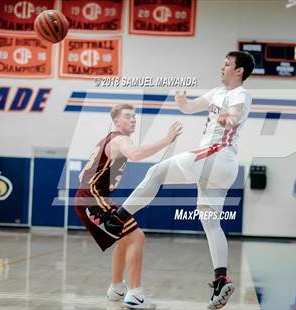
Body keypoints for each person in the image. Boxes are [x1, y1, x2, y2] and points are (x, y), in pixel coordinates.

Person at [91, 51, 255, 310]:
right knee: (210, 223)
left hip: (215, 156)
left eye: (227, 64)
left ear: (239, 71)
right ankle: (221, 279)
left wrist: (228, 119)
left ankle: (116, 219)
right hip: (221, 168)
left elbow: (235, 116)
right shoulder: (215, 93)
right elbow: (190, 108)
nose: (222, 67)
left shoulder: (241, 95)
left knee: (156, 172)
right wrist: (182, 101)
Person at [74, 103, 182, 309]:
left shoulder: (106, 140)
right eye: (128, 116)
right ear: (116, 121)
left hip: (90, 196)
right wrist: (167, 140)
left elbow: (82, 175)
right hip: (94, 197)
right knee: (137, 236)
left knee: (124, 239)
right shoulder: (121, 139)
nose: (133, 119)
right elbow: (137, 155)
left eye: (134, 116)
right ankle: (135, 293)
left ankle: (116, 288)